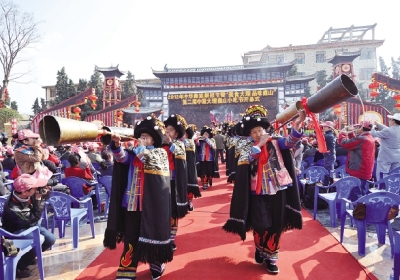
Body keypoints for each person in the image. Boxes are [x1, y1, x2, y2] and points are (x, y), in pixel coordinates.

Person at [223, 105, 303, 275]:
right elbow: (247, 159)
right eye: (254, 132)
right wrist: (258, 144)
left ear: (265, 129)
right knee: (260, 223)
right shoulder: (246, 147)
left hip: (278, 189)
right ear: (249, 135)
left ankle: (272, 258)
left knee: (276, 224)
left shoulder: (276, 141)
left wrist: (297, 126)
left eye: (260, 130)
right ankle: (260, 248)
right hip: (256, 191)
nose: (258, 134)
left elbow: (291, 143)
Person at [104, 114, 173, 280]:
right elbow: (121, 158)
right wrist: (117, 144)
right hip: (132, 203)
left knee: (153, 234)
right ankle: (127, 267)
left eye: (146, 137)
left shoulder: (160, 154)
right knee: (131, 236)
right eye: (140, 136)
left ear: (154, 139)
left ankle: (156, 263)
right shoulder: (133, 153)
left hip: (152, 204)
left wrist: (140, 149)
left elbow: (147, 159)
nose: (142, 139)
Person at [1, 174, 56, 278]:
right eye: (34, 188)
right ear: (25, 191)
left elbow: (33, 217)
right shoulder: (13, 207)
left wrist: (44, 194)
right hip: (16, 231)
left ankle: (28, 257)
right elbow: (33, 219)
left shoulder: (27, 194)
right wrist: (40, 200)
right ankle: (19, 265)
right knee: (39, 239)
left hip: (30, 225)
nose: (37, 189)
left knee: (50, 239)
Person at [164, 114, 189, 250]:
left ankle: (171, 239)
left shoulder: (178, 144)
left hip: (173, 183)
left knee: (173, 211)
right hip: (160, 182)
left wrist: (170, 143)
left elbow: (178, 154)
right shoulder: (158, 144)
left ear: (177, 133)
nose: (167, 132)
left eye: (171, 130)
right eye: (166, 129)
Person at [338, 121, 375, 195]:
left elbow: (344, 143)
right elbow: (355, 143)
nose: (356, 129)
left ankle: (357, 206)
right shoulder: (369, 137)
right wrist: (351, 134)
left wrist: (342, 133)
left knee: (356, 194)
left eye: (358, 127)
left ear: (361, 127)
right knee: (362, 192)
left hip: (358, 169)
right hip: (364, 169)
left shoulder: (362, 138)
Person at [370, 113, 400, 179]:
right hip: (397, 157)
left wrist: (373, 127)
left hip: (386, 157)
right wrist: (378, 124)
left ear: (393, 121)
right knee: (394, 176)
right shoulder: (394, 130)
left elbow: (373, 134)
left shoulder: (388, 130)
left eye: (390, 119)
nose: (389, 121)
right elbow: (387, 130)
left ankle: (381, 188)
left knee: (382, 175)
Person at [196, 126, 220, 190]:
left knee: (210, 172)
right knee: (204, 172)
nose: (205, 135)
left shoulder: (212, 140)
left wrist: (206, 139)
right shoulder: (200, 141)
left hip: (210, 159)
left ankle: (210, 178)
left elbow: (213, 146)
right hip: (202, 159)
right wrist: (196, 139)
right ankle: (205, 185)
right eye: (204, 134)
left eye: (207, 134)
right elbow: (197, 145)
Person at [183, 124, 201, 211]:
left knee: (189, 184)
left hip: (189, 167)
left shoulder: (189, 142)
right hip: (180, 167)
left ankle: (189, 201)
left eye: (184, 134)